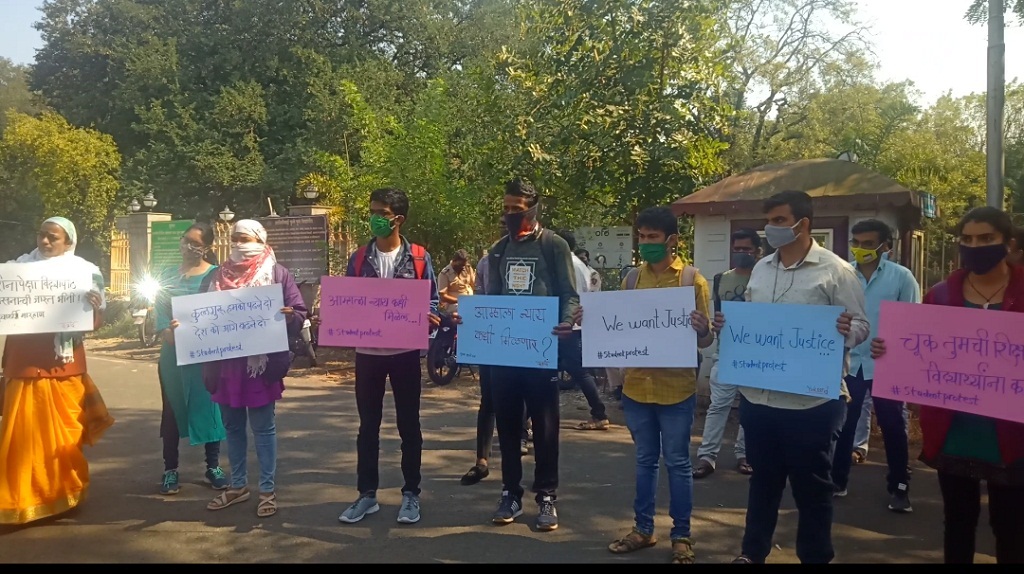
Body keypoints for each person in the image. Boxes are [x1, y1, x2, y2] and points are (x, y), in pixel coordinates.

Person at [712, 190, 869, 564]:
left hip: (811, 403)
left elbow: (861, 326)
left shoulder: (836, 271)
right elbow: (752, 322)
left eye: (780, 220)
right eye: (770, 221)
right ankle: (752, 554)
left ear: (804, 224)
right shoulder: (762, 269)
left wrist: (847, 329)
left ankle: (815, 557)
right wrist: (729, 325)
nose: (772, 228)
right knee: (762, 483)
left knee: (812, 490)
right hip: (759, 399)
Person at [871, 206, 1024, 564]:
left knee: (1012, 528)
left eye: (986, 239)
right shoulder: (940, 295)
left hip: (1014, 436)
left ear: (1008, 243)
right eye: (967, 239)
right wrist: (889, 350)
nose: (975, 246)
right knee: (957, 524)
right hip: (955, 433)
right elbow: (919, 352)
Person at [575, 207, 713, 564]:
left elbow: (705, 340)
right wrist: (588, 318)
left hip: (676, 389)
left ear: (672, 240)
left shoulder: (692, 281)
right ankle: (643, 529)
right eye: (642, 236)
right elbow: (615, 327)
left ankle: (681, 536)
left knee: (679, 463)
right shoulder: (631, 280)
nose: (646, 243)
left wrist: (702, 329)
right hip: (637, 388)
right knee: (644, 461)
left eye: (653, 237)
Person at [467, 178, 579, 531]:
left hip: (540, 351)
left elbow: (569, 293)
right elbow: (491, 300)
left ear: (534, 207)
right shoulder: (498, 250)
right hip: (503, 353)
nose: (511, 214)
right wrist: (469, 320)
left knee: (545, 428)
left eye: (518, 208)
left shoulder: (553, 246)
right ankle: (510, 493)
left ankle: (546, 496)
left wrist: (565, 323)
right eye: (507, 208)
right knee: (509, 426)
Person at [0, 216, 114, 524]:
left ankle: (65, 493)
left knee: (65, 436)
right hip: (23, 364)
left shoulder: (84, 273)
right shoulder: (16, 271)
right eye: (43, 235)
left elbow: (92, 324)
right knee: (20, 438)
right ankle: (22, 499)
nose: (46, 242)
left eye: (54, 237)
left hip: (64, 367)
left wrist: (93, 307)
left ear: (69, 243)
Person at [338, 188, 440, 525]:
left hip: (405, 354)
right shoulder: (357, 258)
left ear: (398, 218)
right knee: (368, 426)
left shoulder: (420, 258)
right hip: (367, 355)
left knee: (409, 426)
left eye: (380, 212)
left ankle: (411, 494)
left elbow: (433, 302)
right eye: (371, 211)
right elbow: (347, 302)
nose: (374, 218)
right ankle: (367, 495)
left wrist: (430, 317)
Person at [199, 219, 307, 518]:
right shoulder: (217, 275)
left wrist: (289, 316)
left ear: (260, 240)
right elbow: (198, 315)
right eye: (235, 238)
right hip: (225, 365)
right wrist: (184, 327)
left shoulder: (276, 274)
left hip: (260, 366)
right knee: (232, 427)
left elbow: (299, 311)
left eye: (246, 238)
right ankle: (237, 486)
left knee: (263, 428)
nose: (239, 244)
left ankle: (268, 490)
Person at [830, 219, 920, 513]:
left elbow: (912, 324)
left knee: (894, 427)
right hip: (851, 362)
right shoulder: (843, 275)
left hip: (887, 364)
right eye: (856, 242)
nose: (860, 249)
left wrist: (895, 344)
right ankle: (837, 481)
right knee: (844, 426)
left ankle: (899, 487)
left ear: (886, 247)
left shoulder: (902, 278)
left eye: (868, 244)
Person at [155, 222, 228, 496]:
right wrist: (167, 329)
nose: (188, 247)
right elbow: (161, 313)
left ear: (207, 247)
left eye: (195, 243)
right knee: (172, 411)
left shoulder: (215, 276)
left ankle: (213, 467)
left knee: (211, 410)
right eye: (185, 240)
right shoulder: (166, 275)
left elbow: (223, 313)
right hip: (172, 356)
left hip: (205, 357)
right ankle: (170, 470)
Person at [693, 228, 761, 480]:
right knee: (718, 405)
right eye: (737, 249)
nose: (741, 253)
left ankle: (745, 454)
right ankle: (707, 456)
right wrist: (717, 326)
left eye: (747, 249)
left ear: (758, 251)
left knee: (750, 406)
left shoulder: (765, 278)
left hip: (758, 354)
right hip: (727, 351)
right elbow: (718, 316)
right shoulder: (721, 279)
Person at [553, 229, 609, 432]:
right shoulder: (582, 266)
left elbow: (569, 296)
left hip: (566, 325)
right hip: (575, 325)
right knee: (557, 369)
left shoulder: (566, 265)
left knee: (576, 369)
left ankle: (599, 413)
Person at [437, 249, 475, 316]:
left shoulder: (467, 268)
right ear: (454, 261)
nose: (463, 267)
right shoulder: (445, 274)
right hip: (454, 305)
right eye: (460, 265)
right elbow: (443, 296)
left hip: (471, 302)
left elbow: (474, 285)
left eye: (464, 265)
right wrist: (460, 300)